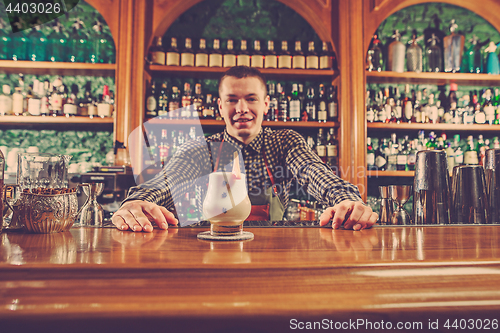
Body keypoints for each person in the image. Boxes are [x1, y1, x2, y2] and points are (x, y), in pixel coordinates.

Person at [112, 66, 378, 232]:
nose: (241, 109)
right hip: (210, 255)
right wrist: (140, 201)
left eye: (251, 99)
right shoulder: (201, 148)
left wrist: (345, 199)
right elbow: (167, 182)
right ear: (219, 106)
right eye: (232, 100)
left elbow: (313, 171)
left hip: (274, 258)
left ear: (265, 105)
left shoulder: (284, 142)